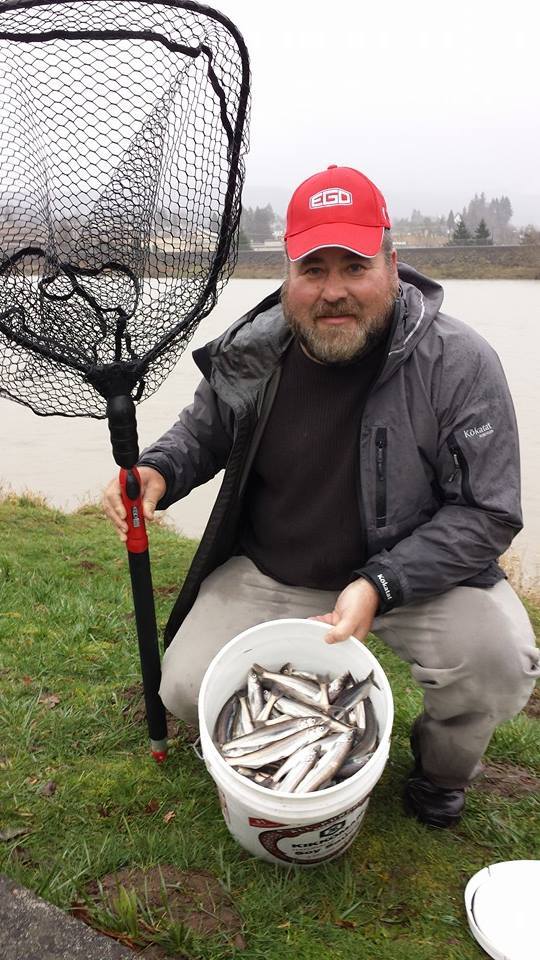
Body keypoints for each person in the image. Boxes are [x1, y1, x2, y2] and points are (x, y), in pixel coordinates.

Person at [103, 165, 539, 828]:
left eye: (354, 266)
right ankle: (286, 733)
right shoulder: (253, 352)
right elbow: (204, 431)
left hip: (411, 579)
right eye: (313, 268)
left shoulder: (459, 362)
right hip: (277, 569)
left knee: (498, 666)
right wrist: (159, 471)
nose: (333, 291)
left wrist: (380, 584)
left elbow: (489, 510)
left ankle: (440, 773)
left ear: (393, 266)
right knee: (186, 690)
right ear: (288, 277)